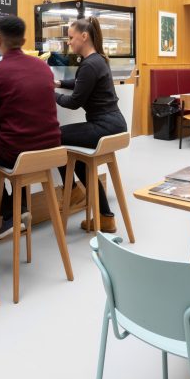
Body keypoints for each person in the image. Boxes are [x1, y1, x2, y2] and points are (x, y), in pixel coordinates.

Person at [0, 16, 61, 239]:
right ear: (24, 40)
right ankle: (19, 211)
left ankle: (10, 213)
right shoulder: (44, 68)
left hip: (18, 152)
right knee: (17, 146)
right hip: (51, 149)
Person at [55, 16, 125, 234]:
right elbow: (81, 83)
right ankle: (105, 218)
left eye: (71, 37)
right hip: (115, 125)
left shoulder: (89, 64)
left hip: (103, 127)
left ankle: (73, 190)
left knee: (54, 136)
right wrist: (59, 82)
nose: (69, 42)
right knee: (80, 158)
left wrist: (51, 94)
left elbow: (75, 102)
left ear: (84, 36)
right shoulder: (98, 60)